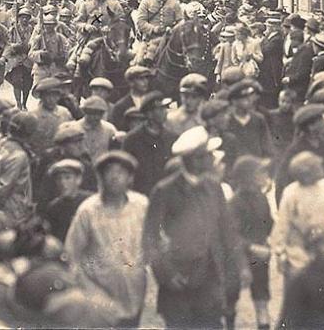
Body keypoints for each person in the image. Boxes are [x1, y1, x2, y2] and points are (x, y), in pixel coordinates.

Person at [142, 126, 243, 328]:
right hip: (178, 281)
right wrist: (166, 275)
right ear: (194, 159)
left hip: (209, 279)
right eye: (207, 155)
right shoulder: (164, 191)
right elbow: (150, 238)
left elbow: (228, 232)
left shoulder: (214, 188)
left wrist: (237, 270)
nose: (212, 159)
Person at [65, 150, 148, 327]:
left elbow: (155, 243)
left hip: (135, 293)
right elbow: (71, 255)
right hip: (101, 297)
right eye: (109, 172)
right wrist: (90, 292)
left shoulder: (141, 206)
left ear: (130, 178)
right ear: (100, 178)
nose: (115, 177)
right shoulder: (88, 211)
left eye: (121, 172)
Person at [270, 151, 324, 285]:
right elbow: (283, 223)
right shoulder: (291, 192)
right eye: (317, 166)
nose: (321, 169)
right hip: (300, 245)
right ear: (306, 173)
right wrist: (279, 251)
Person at [227, 155, 273, 330]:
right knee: (231, 300)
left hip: (260, 257)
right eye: (261, 172)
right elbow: (231, 235)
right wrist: (252, 247)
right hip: (238, 259)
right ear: (248, 177)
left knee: (262, 301)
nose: (265, 175)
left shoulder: (261, 197)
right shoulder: (234, 203)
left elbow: (268, 224)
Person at [122, 91, 174, 195]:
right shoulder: (132, 140)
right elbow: (125, 170)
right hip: (140, 195)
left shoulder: (172, 138)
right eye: (160, 109)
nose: (165, 112)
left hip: (166, 196)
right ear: (149, 114)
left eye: (165, 108)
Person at [134, 0, 184, 64]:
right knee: (139, 62)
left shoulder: (174, 3)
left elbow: (181, 21)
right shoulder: (146, 1)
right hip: (150, 39)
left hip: (170, 39)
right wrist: (154, 29)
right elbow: (141, 22)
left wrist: (173, 30)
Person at [42, 159, 92, 241]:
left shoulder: (90, 201)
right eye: (59, 179)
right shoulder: (54, 207)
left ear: (78, 180)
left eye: (68, 178)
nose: (63, 183)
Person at [109, 65, 154, 130]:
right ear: (131, 82)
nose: (145, 82)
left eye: (147, 78)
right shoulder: (120, 106)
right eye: (141, 79)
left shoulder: (153, 101)